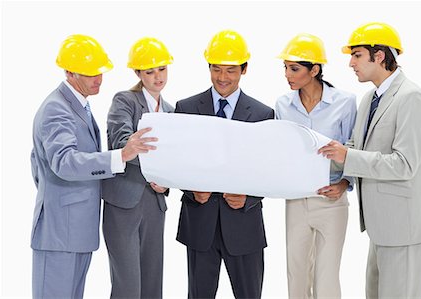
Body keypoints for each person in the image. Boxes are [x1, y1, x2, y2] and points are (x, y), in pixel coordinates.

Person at [30, 34, 157, 299]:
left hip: (75, 230)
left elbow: (37, 160)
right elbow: (63, 161)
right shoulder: (57, 108)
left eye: (99, 71)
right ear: (69, 72)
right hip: (59, 234)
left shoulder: (79, 106)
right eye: (89, 73)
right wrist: (119, 156)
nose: (98, 78)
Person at [318, 22, 421, 298]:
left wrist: (347, 156)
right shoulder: (369, 99)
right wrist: (315, 152)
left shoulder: (411, 98)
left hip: (404, 229)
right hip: (381, 227)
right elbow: (353, 148)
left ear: (380, 56)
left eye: (357, 55)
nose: (350, 63)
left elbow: (404, 164)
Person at [174, 29, 274, 298]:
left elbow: (269, 169)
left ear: (244, 70)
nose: (222, 77)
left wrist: (249, 197)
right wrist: (190, 189)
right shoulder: (185, 108)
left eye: (230, 70)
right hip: (200, 223)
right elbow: (176, 162)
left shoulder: (263, 114)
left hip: (243, 225)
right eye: (216, 69)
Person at [275, 33, 357, 299]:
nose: (287, 74)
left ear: (315, 70)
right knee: (296, 275)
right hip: (297, 200)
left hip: (332, 201)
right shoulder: (283, 105)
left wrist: (345, 184)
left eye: (294, 68)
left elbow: (353, 149)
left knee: (326, 278)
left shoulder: (344, 103)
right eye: (285, 68)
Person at [101, 37, 174, 299]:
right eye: (150, 71)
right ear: (138, 73)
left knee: (153, 284)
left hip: (154, 202)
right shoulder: (125, 101)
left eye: (162, 69)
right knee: (128, 286)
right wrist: (154, 166)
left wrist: (166, 181)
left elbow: (175, 159)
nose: (157, 77)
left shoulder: (170, 110)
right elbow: (121, 142)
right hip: (124, 202)